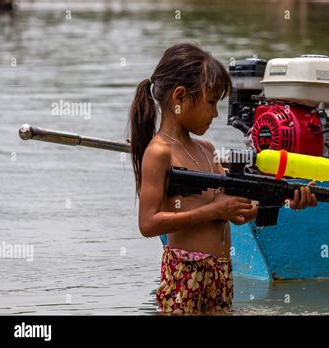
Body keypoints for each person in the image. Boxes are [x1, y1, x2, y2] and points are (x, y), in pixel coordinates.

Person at [129, 42, 317, 314]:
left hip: (220, 273)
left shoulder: (206, 150)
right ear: (179, 97)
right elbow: (148, 224)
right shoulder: (159, 152)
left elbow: (238, 213)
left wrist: (288, 200)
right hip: (185, 274)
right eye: (210, 102)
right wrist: (213, 210)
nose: (216, 113)